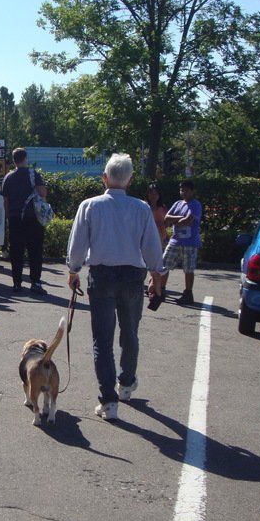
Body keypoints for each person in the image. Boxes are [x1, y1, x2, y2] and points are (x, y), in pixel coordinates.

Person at [66, 153, 165, 421]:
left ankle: (108, 402)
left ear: (104, 178)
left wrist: (73, 270)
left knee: (102, 340)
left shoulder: (89, 206)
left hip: (101, 276)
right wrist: (156, 277)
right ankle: (126, 383)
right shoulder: (141, 208)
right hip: (133, 276)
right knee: (130, 332)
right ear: (130, 180)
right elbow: (152, 247)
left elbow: (77, 244)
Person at [0, 148, 47, 295]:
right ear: (25, 158)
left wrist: (8, 217)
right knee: (35, 251)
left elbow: (6, 201)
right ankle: (35, 283)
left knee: (16, 252)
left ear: (14, 160)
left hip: (15, 219)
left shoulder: (8, 177)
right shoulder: (34, 174)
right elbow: (43, 193)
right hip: (33, 218)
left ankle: (17, 283)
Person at [160, 179, 202, 305]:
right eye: (182, 190)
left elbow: (189, 220)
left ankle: (188, 293)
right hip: (175, 241)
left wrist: (176, 220)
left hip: (190, 242)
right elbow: (167, 218)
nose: (183, 193)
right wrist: (180, 219)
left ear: (192, 191)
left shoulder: (196, 205)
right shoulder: (178, 203)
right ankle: (161, 289)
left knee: (188, 269)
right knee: (164, 264)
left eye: (186, 190)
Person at [146, 183, 168, 248]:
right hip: (148, 238)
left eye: (156, 194)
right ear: (147, 194)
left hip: (162, 238)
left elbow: (167, 222)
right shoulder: (144, 207)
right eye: (151, 193)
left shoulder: (163, 207)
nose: (153, 196)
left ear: (159, 195)